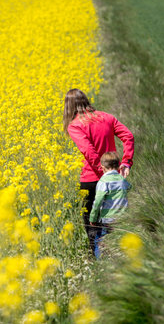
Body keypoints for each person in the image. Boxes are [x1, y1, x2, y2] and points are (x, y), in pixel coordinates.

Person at [63, 88, 134, 255]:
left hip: (91, 179)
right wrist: (126, 163)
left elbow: (89, 151)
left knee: (92, 223)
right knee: (114, 217)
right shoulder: (107, 117)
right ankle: (117, 253)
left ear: (68, 107)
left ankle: (99, 261)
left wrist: (103, 174)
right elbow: (128, 136)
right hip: (115, 177)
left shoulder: (75, 125)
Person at [89, 152, 132, 258]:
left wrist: (93, 218)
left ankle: (101, 262)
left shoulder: (103, 181)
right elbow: (129, 187)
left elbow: (97, 201)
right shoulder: (122, 180)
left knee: (100, 242)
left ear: (102, 167)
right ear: (118, 166)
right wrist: (121, 178)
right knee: (120, 240)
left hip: (108, 219)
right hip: (123, 217)